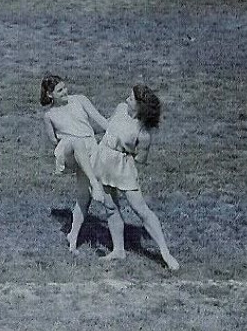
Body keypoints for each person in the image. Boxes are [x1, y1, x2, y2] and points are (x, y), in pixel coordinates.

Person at [94, 84, 180, 271]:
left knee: (140, 209)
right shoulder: (119, 109)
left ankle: (165, 252)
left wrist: (124, 154)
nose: (126, 100)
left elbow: (141, 159)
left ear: (141, 106)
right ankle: (118, 250)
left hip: (123, 168)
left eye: (131, 99)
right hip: (103, 160)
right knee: (110, 206)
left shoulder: (143, 133)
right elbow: (107, 126)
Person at [39, 74, 111, 252]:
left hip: (89, 148)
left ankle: (73, 236)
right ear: (50, 95)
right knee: (76, 142)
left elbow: (102, 121)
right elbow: (54, 140)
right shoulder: (49, 115)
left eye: (65, 88)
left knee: (83, 197)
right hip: (68, 151)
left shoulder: (80, 100)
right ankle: (96, 184)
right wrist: (68, 142)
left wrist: (120, 131)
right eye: (60, 91)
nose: (65, 92)